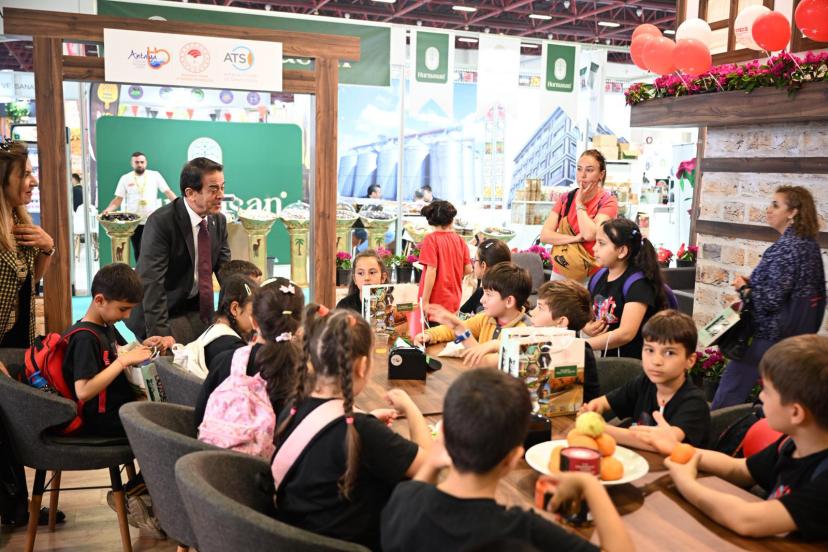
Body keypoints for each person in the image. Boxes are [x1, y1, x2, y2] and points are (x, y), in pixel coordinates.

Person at [381, 369, 633, 552]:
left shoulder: (403, 500)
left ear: (443, 433)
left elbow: (418, 491)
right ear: (513, 459)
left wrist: (433, 461)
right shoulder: (522, 532)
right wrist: (590, 484)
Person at [634, 335, 828, 541]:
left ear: (795, 413)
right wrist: (676, 448)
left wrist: (686, 482)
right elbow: (739, 469)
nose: (760, 397)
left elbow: (747, 520)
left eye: (767, 391)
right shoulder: (792, 444)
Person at [274, 309, 431, 550]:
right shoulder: (363, 431)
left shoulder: (293, 408)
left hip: (297, 537)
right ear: (362, 365)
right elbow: (430, 466)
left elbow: (324, 445)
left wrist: (365, 419)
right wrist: (411, 408)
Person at [712, 186, 826, 409]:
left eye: (776, 205)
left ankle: (716, 430)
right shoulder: (808, 245)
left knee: (730, 391)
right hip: (794, 336)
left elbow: (769, 300)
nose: (769, 209)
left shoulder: (786, 248)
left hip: (766, 336)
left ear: (793, 212)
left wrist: (744, 287)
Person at [126, 157, 231, 344]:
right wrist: (160, 337)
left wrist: (235, 314)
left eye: (222, 187)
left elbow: (227, 274)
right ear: (190, 193)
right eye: (213, 189)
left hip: (195, 310)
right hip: (161, 312)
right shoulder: (161, 222)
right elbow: (152, 283)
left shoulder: (219, 221)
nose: (221, 195)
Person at [62, 263, 170, 437]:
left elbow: (124, 352)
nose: (127, 316)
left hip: (118, 407)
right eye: (123, 309)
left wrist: (146, 346)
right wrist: (122, 362)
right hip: (101, 420)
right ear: (99, 300)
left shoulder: (106, 326)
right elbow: (83, 391)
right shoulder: (85, 338)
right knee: (166, 422)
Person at [581, 310, 710, 449]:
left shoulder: (694, 402)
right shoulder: (645, 382)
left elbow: (661, 443)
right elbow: (603, 402)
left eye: (669, 353)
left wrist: (601, 429)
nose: (656, 361)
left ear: (690, 361)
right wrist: (592, 408)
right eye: (650, 350)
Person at [194, 277, 304, 428]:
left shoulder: (226, 361)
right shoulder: (309, 373)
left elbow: (199, 420)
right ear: (299, 324)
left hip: (217, 443)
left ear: (254, 321)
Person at [415, 262, 531, 369]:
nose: (481, 300)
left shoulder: (523, 333)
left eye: (489, 294)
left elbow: (484, 363)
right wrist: (429, 335)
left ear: (509, 301)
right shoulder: (485, 318)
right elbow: (454, 329)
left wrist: (461, 330)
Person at [582, 218, 667, 359]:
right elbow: (586, 311)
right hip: (609, 359)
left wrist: (583, 345)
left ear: (622, 251)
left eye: (601, 243)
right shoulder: (598, 277)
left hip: (636, 363)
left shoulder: (638, 284)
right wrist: (586, 325)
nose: (594, 248)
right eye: (596, 242)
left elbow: (626, 333)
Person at [0, 139, 55, 347]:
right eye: (25, 174)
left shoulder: (19, 220)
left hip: (21, 338)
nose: (35, 181)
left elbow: (29, 281)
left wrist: (47, 248)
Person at [540, 150, 618, 282]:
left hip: (591, 273)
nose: (583, 175)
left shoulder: (607, 201)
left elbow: (589, 235)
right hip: (561, 268)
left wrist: (580, 203)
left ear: (601, 174)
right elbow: (545, 235)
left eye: (589, 170)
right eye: (579, 169)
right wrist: (574, 238)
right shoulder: (565, 198)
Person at [530, 280, 601, 402]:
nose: (532, 313)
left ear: (561, 321)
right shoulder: (536, 343)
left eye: (540, 308)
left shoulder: (581, 351)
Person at [102, 152, 176, 262]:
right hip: (134, 222)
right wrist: (108, 210)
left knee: (152, 249)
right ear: (132, 163)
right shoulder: (125, 178)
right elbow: (118, 199)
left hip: (151, 220)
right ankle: (140, 272)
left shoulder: (155, 175)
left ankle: (151, 271)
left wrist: (179, 204)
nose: (140, 164)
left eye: (142, 162)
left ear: (146, 163)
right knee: (138, 250)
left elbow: (168, 192)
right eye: (137, 162)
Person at [183, 274, 257, 378]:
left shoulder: (212, 333)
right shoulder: (234, 350)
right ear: (235, 309)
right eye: (254, 312)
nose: (257, 320)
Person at [417, 200, 472, 318]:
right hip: (454, 298)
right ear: (451, 220)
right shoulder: (459, 240)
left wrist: (425, 302)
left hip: (435, 300)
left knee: (432, 330)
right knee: (449, 329)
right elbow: (468, 269)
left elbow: (431, 271)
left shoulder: (431, 240)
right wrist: (452, 274)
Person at [460, 238, 511, 315]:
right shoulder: (512, 292)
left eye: (475, 260)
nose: (482, 300)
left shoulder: (482, 296)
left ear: (483, 265)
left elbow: (461, 315)